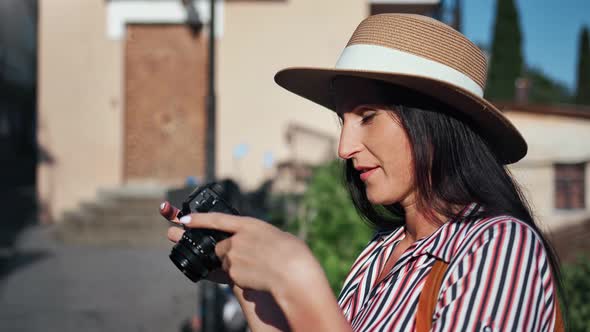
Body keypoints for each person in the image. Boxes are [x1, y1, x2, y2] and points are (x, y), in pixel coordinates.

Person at [160, 14, 566, 331]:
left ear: (434, 122)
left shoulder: (500, 246)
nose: (344, 147)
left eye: (367, 117)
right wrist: (249, 282)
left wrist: (300, 281)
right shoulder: (380, 252)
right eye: (343, 121)